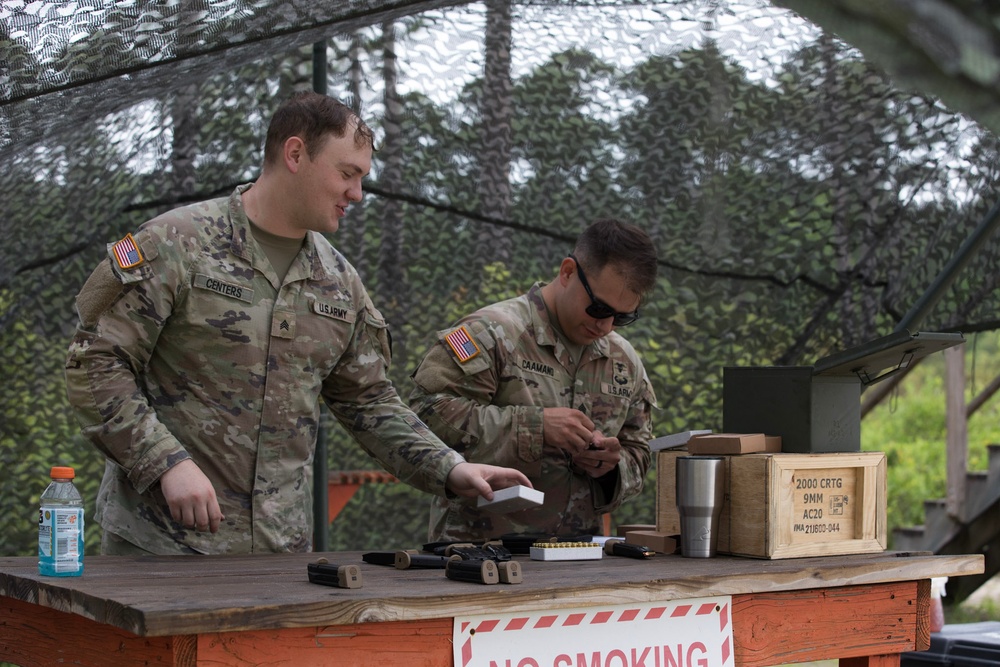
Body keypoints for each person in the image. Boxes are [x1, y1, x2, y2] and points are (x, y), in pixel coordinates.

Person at [64, 91, 530, 555]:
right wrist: (165, 463)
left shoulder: (339, 282)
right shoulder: (176, 243)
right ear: (295, 154)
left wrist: (449, 467)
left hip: (278, 553)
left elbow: (367, 401)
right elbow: (96, 362)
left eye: (362, 177)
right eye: (347, 173)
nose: (357, 193)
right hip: (161, 545)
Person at [408, 219, 658, 542]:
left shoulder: (624, 362)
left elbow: (639, 450)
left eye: (623, 317)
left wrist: (610, 468)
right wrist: (536, 429)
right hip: (480, 557)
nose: (606, 326)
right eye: (598, 308)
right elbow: (422, 416)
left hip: (576, 559)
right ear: (568, 272)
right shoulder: (493, 334)